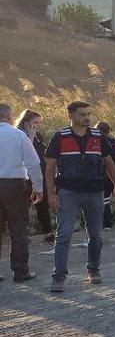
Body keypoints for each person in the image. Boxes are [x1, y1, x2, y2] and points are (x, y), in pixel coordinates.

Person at [45, 101, 115, 292]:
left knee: (96, 236)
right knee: (63, 235)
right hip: (68, 192)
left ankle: (93, 269)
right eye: (82, 114)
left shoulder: (98, 136)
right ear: (70, 115)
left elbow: (109, 162)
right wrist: (51, 194)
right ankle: (59, 277)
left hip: (95, 191)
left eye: (89, 114)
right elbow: (49, 167)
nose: (87, 118)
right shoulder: (60, 137)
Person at [0, 103, 43, 283]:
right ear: (9, 117)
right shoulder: (18, 135)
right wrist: (38, 188)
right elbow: (33, 163)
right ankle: (20, 270)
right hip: (15, 186)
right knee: (18, 228)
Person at [15, 109, 53, 243]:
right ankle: (23, 234)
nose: (38, 125)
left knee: (43, 204)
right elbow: (26, 154)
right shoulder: (19, 135)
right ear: (26, 123)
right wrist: (30, 135)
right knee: (24, 206)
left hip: (39, 174)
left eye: (40, 122)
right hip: (25, 177)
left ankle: (48, 232)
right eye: (35, 122)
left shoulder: (38, 136)